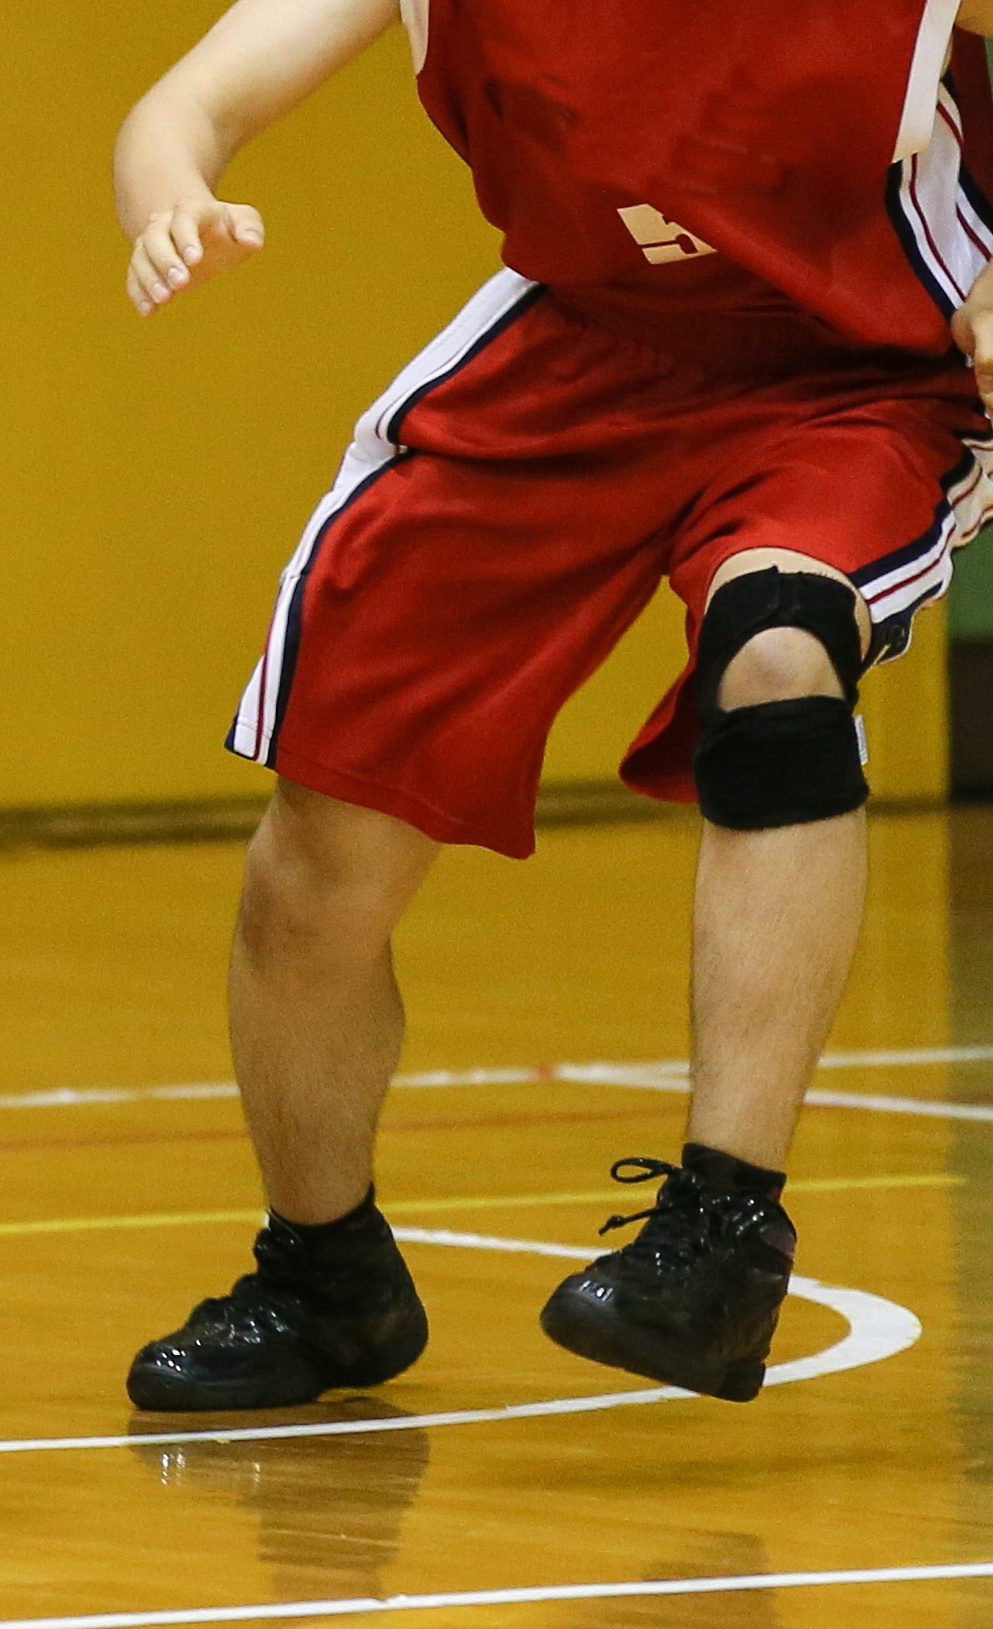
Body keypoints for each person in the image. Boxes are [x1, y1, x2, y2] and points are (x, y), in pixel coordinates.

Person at [113, 0, 993, 1411]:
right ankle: (321, 1275)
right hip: (575, 345)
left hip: (860, 372)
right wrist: (170, 199)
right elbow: (180, 106)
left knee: (776, 656)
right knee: (320, 857)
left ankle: (719, 1237)